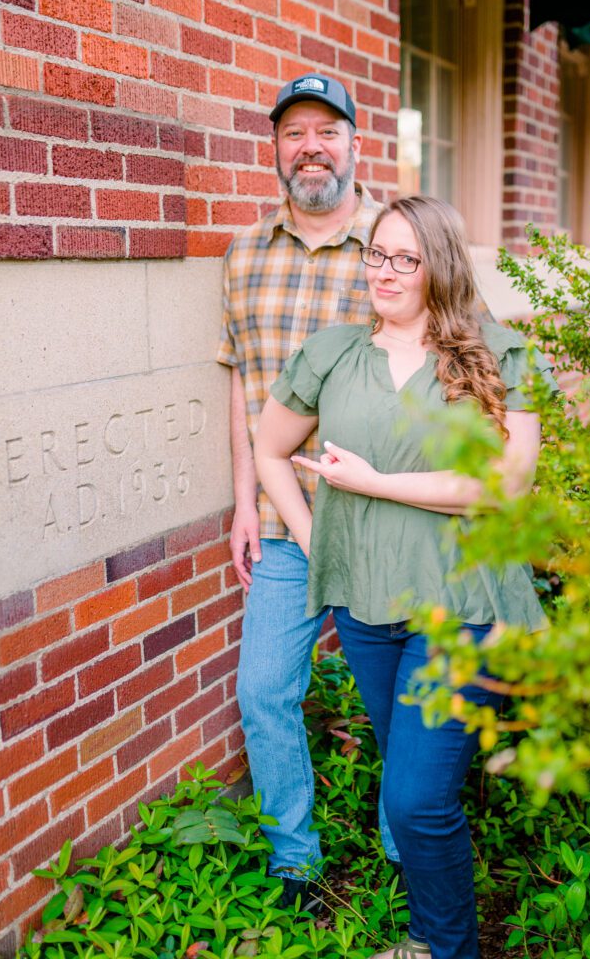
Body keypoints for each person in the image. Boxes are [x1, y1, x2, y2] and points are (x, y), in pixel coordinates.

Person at [254, 195, 557, 959]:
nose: (381, 272)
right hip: (366, 608)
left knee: (416, 801)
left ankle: (448, 947)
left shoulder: (499, 353)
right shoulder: (329, 353)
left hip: (463, 604)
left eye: (403, 258)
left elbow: (503, 489)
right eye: (373, 254)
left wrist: (369, 483)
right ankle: (431, 933)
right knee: (411, 785)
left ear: (439, 266)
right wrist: (316, 534)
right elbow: (268, 450)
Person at [216, 73, 400, 904]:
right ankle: (295, 859)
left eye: (328, 129)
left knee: (400, 703)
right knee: (263, 692)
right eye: (294, 133)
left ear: (355, 143)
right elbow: (243, 387)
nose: (311, 146)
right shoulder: (244, 252)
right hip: (288, 531)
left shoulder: (393, 243)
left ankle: (408, 852)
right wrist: (243, 503)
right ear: (276, 149)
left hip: (383, 520)